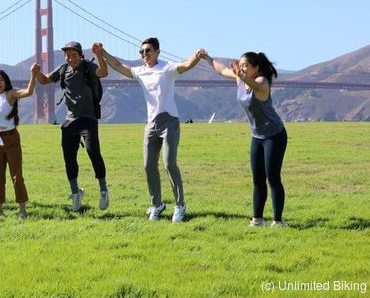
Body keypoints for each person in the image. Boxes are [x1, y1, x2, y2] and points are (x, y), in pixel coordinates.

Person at [97, 38, 205, 223]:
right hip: (151, 123)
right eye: (142, 52)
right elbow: (117, 65)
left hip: (169, 121)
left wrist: (197, 56)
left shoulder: (167, 68)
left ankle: (180, 205)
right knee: (148, 165)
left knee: (169, 164)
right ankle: (157, 204)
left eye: (148, 51)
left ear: (157, 52)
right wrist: (102, 53)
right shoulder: (140, 71)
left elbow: (186, 65)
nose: (144, 55)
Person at [204, 51, 288, 228]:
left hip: (274, 135)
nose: (241, 68)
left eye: (245, 66)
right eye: (240, 65)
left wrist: (240, 75)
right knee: (257, 178)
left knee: (272, 178)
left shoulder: (262, 82)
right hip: (257, 136)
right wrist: (207, 58)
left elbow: (255, 87)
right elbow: (221, 70)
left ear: (256, 67)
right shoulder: (240, 78)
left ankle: (278, 221)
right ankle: (257, 219)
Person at [35, 41, 110, 212]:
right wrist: (36, 73)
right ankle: (76, 192)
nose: (70, 58)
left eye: (74, 55)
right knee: (69, 159)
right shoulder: (63, 70)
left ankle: (104, 189)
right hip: (70, 121)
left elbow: (103, 72)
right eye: (68, 55)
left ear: (80, 55)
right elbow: (45, 80)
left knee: (93, 153)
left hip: (88, 118)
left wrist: (99, 54)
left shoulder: (88, 67)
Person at [0, 66, 39, 219]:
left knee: (16, 176)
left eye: (1, 80)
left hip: (11, 138)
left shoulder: (10, 95)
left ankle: (23, 211)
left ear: (6, 83)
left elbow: (28, 92)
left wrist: (33, 74)